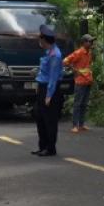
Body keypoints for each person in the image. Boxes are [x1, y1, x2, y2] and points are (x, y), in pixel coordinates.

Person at [32, 24, 63, 157]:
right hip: (43, 88)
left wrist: (49, 95)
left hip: (51, 90)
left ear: (44, 40)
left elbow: (53, 77)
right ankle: (42, 146)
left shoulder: (55, 55)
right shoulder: (48, 52)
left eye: (40, 39)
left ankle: (50, 148)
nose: (39, 41)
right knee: (40, 117)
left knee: (49, 120)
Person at [63, 34, 95, 133]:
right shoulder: (79, 52)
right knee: (78, 103)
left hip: (88, 80)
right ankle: (74, 125)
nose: (91, 43)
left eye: (91, 41)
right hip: (80, 81)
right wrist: (74, 70)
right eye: (89, 41)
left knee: (84, 104)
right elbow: (65, 61)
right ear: (84, 42)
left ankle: (81, 125)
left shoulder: (89, 52)